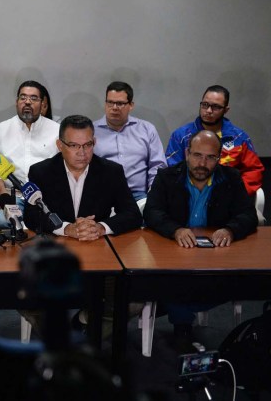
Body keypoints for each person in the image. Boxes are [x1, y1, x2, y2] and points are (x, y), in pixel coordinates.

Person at [144, 130, 258, 348]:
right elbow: (152, 212)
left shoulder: (231, 178)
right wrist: (175, 230)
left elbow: (247, 215)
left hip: (215, 257)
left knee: (230, 282)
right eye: (197, 155)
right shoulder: (166, 177)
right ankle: (182, 324)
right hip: (175, 255)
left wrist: (230, 230)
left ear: (219, 158)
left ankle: (179, 315)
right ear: (187, 153)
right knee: (171, 280)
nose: (202, 163)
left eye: (210, 157)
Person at [24, 114, 142, 240]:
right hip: (57, 246)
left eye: (87, 144)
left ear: (94, 143)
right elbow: (32, 216)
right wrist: (66, 228)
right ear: (59, 145)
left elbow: (132, 214)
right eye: (74, 145)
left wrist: (100, 228)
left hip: (97, 243)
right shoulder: (41, 172)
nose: (82, 152)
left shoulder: (111, 171)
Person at [165, 85, 264, 196]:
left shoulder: (239, 137)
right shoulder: (181, 136)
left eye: (216, 107)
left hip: (230, 199)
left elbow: (253, 171)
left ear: (226, 110)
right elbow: (173, 171)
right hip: (191, 197)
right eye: (205, 105)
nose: (208, 110)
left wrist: (238, 193)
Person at [0, 80, 61, 226]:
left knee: (55, 223)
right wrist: (2, 194)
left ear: (42, 104)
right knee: (1, 222)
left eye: (33, 98)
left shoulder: (56, 131)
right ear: (16, 102)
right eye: (23, 97)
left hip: (46, 197)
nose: (27, 102)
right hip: (14, 196)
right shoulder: (1, 130)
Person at [93, 81, 166, 200]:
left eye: (120, 103)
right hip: (103, 195)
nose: (114, 108)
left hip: (139, 195)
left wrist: (153, 195)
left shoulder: (146, 129)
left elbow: (158, 165)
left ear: (131, 105)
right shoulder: (91, 131)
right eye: (110, 102)